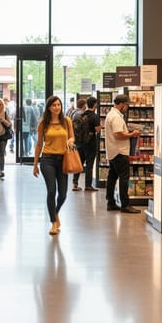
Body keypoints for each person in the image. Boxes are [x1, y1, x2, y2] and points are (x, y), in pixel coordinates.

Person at [32, 95, 75, 235]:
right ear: (49, 107)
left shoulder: (67, 121)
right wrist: (35, 164)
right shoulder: (43, 123)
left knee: (62, 194)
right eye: (54, 105)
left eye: (59, 105)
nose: (57, 107)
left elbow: (72, 137)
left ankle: (55, 213)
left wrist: (70, 141)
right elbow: (39, 144)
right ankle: (53, 223)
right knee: (51, 191)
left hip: (63, 159)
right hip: (47, 160)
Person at [105, 94, 142, 214]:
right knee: (124, 178)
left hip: (113, 151)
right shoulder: (115, 117)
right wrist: (132, 134)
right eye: (126, 105)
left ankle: (110, 202)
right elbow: (118, 134)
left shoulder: (111, 114)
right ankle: (125, 205)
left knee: (112, 177)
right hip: (119, 151)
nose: (127, 107)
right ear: (121, 104)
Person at [75, 96, 101, 192]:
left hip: (80, 143)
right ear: (95, 104)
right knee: (89, 165)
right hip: (90, 143)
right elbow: (98, 130)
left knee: (79, 163)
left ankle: (75, 183)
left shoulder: (82, 114)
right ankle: (88, 185)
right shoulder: (94, 116)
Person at [69, 98, 88, 191]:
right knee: (80, 162)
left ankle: (75, 183)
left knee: (77, 162)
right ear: (84, 105)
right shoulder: (81, 114)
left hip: (75, 141)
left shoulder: (72, 112)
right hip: (81, 141)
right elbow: (83, 128)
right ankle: (77, 184)